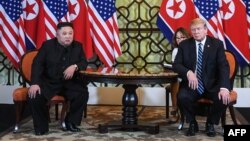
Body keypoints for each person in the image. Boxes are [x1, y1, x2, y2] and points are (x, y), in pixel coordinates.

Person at [28, 22, 89, 135]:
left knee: (83, 93)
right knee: (35, 95)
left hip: (70, 83)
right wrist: (35, 83)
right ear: (57, 34)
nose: (68, 36)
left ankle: (70, 122)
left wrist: (74, 66)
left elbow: (83, 62)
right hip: (50, 82)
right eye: (64, 33)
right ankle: (41, 127)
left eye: (70, 33)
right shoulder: (47, 45)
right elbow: (37, 64)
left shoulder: (78, 46)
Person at [173, 18, 231, 137]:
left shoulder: (217, 44)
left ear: (205, 30)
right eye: (193, 30)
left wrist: (224, 87)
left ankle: (210, 123)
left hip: (212, 84)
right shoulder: (184, 45)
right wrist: (188, 72)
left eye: (198, 29)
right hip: (193, 85)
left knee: (223, 98)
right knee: (182, 96)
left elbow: (223, 67)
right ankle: (192, 122)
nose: (196, 32)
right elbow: (176, 65)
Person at [170, 27, 190, 118]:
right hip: (180, 76)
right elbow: (176, 67)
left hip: (192, 76)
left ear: (187, 37)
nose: (179, 40)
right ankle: (175, 107)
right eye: (177, 38)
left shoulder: (193, 48)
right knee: (175, 80)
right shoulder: (176, 51)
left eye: (182, 37)